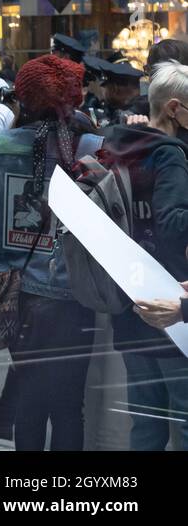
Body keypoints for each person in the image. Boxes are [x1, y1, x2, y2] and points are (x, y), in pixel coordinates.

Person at [0, 55, 101, 451]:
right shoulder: (95, 148)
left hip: (18, 292)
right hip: (75, 295)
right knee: (69, 405)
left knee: (29, 402)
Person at [100, 60, 188, 450]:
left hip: (129, 300)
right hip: (170, 303)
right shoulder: (170, 154)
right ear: (174, 108)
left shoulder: (118, 142)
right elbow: (171, 225)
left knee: (147, 422)